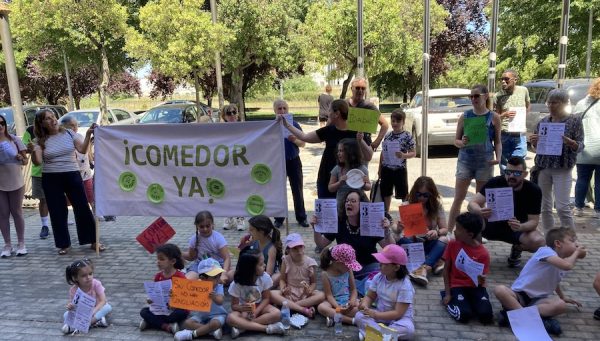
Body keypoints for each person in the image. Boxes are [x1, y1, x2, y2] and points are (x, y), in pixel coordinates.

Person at [29, 109, 103, 255]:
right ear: (41, 124)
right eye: (48, 119)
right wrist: (32, 150)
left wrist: (88, 134)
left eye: (53, 117)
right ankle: (63, 244)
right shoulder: (39, 141)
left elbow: (82, 150)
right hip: (51, 178)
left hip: (72, 174)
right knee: (57, 211)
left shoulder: (69, 133)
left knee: (82, 207)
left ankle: (93, 241)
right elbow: (37, 162)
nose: (53, 120)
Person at [493, 227, 587, 336]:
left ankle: (512, 316)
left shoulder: (563, 261)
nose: (576, 244)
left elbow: (554, 280)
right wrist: (577, 252)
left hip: (538, 300)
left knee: (561, 305)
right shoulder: (545, 251)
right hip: (519, 295)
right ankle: (530, 319)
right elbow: (568, 266)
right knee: (500, 289)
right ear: (558, 243)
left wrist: (562, 297)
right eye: (572, 240)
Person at [281, 99, 373, 200]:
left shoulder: (357, 131)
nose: (327, 113)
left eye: (330, 111)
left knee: (347, 212)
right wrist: (287, 125)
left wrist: (361, 140)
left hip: (349, 181)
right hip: (327, 177)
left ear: (336, 113)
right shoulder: (328, 130)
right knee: (327, 211)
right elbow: (305, 137)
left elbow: (368, 156)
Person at [311, 189, 395, 296]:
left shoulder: (370, 222)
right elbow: (321, 243)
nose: (348, 203)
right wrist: (316, 229)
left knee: (382, 273)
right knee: (331, 275)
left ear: (362, 205)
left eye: (353, 201)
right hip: (345, 267)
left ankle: (355, 288)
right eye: (347, 201)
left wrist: (387, 230)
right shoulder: (339, 222)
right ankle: (361, 288)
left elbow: (390, 248)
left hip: (368, 266)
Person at [468, 156, 545, 267]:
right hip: (491, 225)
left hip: (516, 229)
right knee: (469, 220)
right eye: (508, 172)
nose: (511, 176)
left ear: (525, 174)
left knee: (539, 242)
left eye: (517, 173)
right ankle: (476, 255)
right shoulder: (495, 182)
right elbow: (472, 204)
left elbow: (534, 221)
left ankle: (517, 248)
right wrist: (480, 211)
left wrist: (520, 227)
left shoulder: (533, 190)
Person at [448, 84, 501, 232]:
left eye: (476, 96)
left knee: (480, 201)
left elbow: (497, 141)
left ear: (485, 96)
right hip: (466, 160)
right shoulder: (465, 116)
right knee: (458, 198)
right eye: (471, 96)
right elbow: (456, 141)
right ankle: (449, 231)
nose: (473, 99)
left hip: (485, 161)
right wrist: (461, 142)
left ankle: (478, 233)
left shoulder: (494, 117)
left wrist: (499, 158)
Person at [530, 89, 584, 231]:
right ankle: (549, 240)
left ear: (565, 103)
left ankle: (571, 241)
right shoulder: (543, 122)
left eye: (555, 103)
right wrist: (534, 142)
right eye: (549, 102)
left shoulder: (574, 121)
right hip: (543, 168)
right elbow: (537, 148)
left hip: (563, 168)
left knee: (562, 207)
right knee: (545, 208)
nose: (551, 106)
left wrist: (572, 143)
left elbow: (580, 145)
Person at [395, 176, 448, 286]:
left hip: (428, 242)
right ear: (415, 192)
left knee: (444, 239)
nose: (422, 198)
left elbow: (445, 229)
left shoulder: (436, 206)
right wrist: (399, 228)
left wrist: (436, 232)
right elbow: (395, 230)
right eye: (419, 194)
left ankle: (423, 268)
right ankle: (432, 263)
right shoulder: (407, 205)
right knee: (402, 239)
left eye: (426, 195)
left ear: (431, 195)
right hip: (412, 243)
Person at [442, 212, 493, 325]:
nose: (455, 231)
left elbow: (481, 280)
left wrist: (482, 279)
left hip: (475, 287)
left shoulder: (483, 253)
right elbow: (446, 270)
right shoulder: (453, 244)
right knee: (464, 315)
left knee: (486, 317)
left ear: (470, 234)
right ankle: (453, 300)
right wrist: (447, 293)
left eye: (459, 229)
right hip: (457, 285)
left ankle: (469, 302)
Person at [355, 244, 415, 341]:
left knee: (408, 330)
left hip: (399, 319)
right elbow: (370, 296)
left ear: (396, 268)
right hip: (381, 314)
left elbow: (398, 313)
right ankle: (384, 336)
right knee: (359, 316)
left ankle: (372, 335)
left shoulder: (405, 285)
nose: (380, 266)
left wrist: (375, 315)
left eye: (384, 264)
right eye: (380, 263)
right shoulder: (378, 277)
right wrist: (365, 305)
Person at [226, 247, 286, 338]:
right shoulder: (237, 283)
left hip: (260, 306)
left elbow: (266, 298)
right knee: (230, 318)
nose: (265, 265)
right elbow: (234, 306)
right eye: (261, 264)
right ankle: (267, 328)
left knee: (277, 314)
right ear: (251, 269)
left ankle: (243, 327)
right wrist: (244, 308)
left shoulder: (265, 278)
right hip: (244, 310)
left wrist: (256, 312)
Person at [273, 99, 309, 228]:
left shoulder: (294, 124)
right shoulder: (271, 125)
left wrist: (294, 140)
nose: (282, 111)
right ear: (275, 111)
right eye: (279, 109)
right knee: (279, 190)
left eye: (284, 108)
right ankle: (279, 218)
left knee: (297, 189)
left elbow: (303, 143)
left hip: (293, 160)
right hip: (278, 162)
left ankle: (301, 217)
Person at [271, 233, 324, 317]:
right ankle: (303, 309)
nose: (299, 251)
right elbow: (282, 280)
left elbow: (313, 283)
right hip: (290, 293)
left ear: (304, 247)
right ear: (288, 251)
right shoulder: (286, 260)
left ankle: (291, 306)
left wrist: (310, 289)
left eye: (300, 247)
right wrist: (283, 289)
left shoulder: (310, 262)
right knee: (272, 294)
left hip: (304, 294)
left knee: (321, 295)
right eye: (295, 249)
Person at [174, 258, 228, 341]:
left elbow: (220, 301)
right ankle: (212, 331)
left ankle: (192, 334)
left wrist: (214, 297)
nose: (218, 279)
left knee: (215, 323)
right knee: (187, 323)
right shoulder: (197, 286)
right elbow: (187, 297)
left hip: (218, 315)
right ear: (203, 278)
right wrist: (175, 295)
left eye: (219, 276)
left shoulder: (219, 286)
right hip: (202, 316)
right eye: (215, 277)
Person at [140, 244, 188, 334]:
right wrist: (150, 300)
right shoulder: (158, 276)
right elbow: (155, 295)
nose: (158, 262)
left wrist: (174, 301)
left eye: (162, 259)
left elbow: (185, 299)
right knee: (144, 311)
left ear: (173, 261)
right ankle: (166, 326)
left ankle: (152, 322)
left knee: (181, 313)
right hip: (162, 309)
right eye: (157, 259)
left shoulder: (180, 277)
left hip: (175, 309)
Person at [0, 114, 28, 257]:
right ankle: (7, 244)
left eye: (2, 123)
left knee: (16, 212)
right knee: (3, 214)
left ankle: (21, 243)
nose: (0, 126)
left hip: (16, 181)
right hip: (0, 184)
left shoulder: (15, 140)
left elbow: (25, 161)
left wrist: (20, 157)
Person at [379, 108, 416, 213]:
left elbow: (413, 153)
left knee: (403, 194)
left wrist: (404, 155)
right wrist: (380, 168)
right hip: (387, 168)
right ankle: (386, 214)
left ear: (403, 122)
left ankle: (405, 217)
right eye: (393, 121)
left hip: (400, 169)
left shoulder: (407, 136)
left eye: (398, 121)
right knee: (386, 193)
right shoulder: (388, 135)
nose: (395, 123)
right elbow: (383, 152)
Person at [493, 69, 530, 174]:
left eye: (506, 79)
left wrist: (522, 118)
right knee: (505, 166)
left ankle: (517, 189)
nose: (503, 81)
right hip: (504, 134)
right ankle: (506, 188)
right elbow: (494, 118)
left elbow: (528, 107)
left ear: (515, 80)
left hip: (519, 134)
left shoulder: (524, 91)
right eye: (502, 79)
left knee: (519, 165)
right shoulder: (498, 96)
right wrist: (504, 115)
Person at [61, 258, 112, 334]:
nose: (88, 277)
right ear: (75, 278)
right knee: (65, 315)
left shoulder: (96, 284)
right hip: (83, 312)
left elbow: (103, 301)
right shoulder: (73, 289)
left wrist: (93, 311)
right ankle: (96, 322)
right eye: (83, 276)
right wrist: (70, 306)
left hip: (97, 308)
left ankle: (85, 324)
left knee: (108, 307)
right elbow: (73, 304)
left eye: (90, 274)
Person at [573, 78, 600, 218]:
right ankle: (598, 210)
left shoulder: (581, 103)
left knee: (582, 179)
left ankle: (578, 207)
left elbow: (574, 121)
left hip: (584, 148)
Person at [317, 244, 360, 327]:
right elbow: (329, 295)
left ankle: (334, 317)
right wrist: (338, 308)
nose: (349, 267)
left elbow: (353, 290)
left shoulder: (348, 270)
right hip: (333, 303)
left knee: (361, 307)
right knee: (321, 307)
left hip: (346, 301)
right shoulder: (326, 274)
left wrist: (352, 301)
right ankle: (352, 321)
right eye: (348, 265)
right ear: (337, 263)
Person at [183, 211, 231, 285]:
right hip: (200, 265)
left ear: (212, 224)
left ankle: (207, 282)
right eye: (201, 227)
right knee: (186, 281)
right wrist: (178, 253)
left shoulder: (218, 238)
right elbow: (191, 257)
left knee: (232, 276)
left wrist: (224, 274)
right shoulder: (194, 239)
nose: (205, 229)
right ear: (197, 226)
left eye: (208, 226)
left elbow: (227, 258)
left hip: (217, 266)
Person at [21, 124, 50, 239]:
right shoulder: (30, 130)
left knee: (58, 199)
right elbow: (24, 148)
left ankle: (62, 220)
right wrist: (30, 148)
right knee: (43, 200)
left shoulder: (52, 128)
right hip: (38, 173)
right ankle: (45, 226)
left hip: (55, 171)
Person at [219, 104, 245, 231]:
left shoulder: (244, 128)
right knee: (227, 191)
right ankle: (229, 217)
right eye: (229, 113)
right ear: (224, 116)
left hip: (239, 165)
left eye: (234, 112)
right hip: (225, 165)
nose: (232, 115)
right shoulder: (219, 129)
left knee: (239, 191)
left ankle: (240, 218)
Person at [329, 138, 371, 215]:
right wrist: (339, 183)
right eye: (338, 151)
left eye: (341, 151)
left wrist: (364, 183)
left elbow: (368, 187)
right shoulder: (337, 169)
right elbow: (330, 188)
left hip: (358, 205)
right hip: (342, 205)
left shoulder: (361, 169)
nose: (338, 153)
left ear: (350, 153)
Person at [347, 77, 389, 150]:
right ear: (352, 88)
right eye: (357, 88)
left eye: (363, 88)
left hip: (364, 149)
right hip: (346, 148)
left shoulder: (369, 106)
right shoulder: (344, 104)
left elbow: (385, 124)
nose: (360, 90)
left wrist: (377, 142)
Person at [246, 215, 282, 286]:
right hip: (254, 273)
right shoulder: (254, 241)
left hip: (265, 276)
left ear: (261, 232)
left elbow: (269, 273)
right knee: (233, 273)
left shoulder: (271, 249)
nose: (248, 232)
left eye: (251, 230)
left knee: (275, 278)